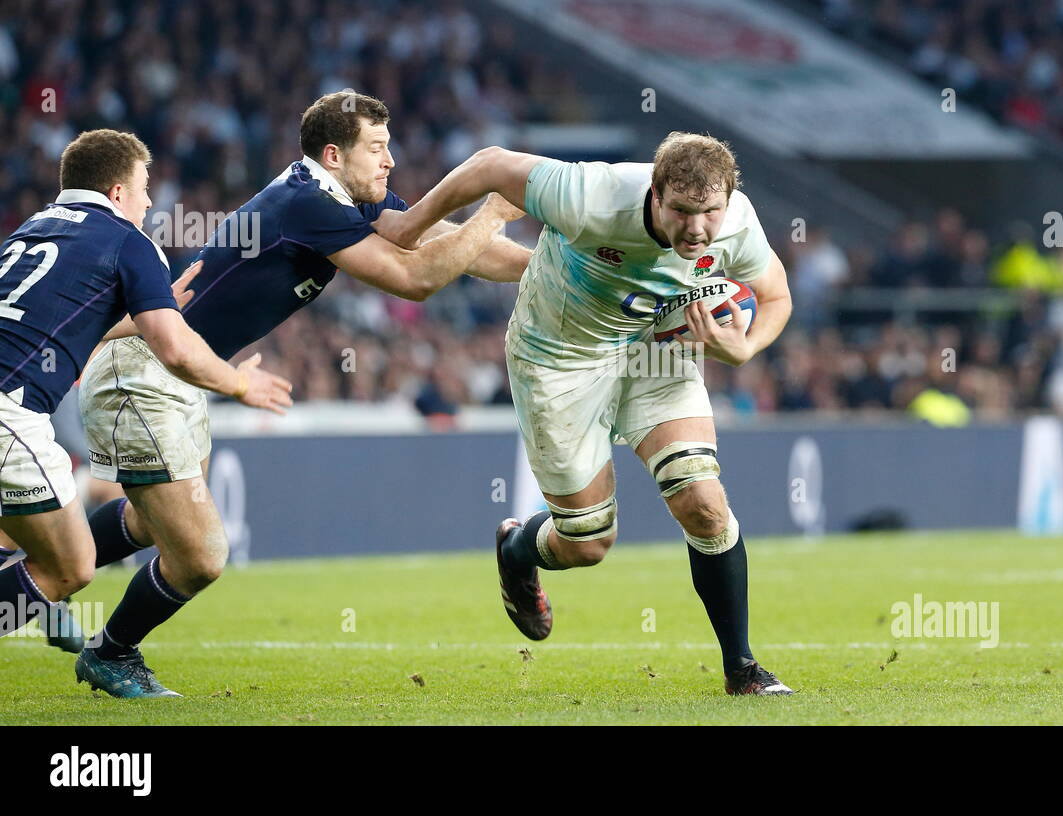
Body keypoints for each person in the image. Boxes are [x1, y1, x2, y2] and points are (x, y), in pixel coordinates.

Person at [74, 91, 530, 698]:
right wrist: (493, 211)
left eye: (390, 146)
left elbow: (417, 234)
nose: (390, 160)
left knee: (152, 526)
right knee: (203, 554)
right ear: (334, 154)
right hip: (147, 364)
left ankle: (42, 574)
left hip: (181, 370)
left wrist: (542, 264)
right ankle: (92, 634)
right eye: (377, 147)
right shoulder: (307, 202)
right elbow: (415, 278)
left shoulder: (337, 199)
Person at [420, 132, 796, 695]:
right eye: (683, 211)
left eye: (710, 212)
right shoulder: (594, 194)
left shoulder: (738, 221)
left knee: (705, 505)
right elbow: (492, 164)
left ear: (728, 200)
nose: (698, 228)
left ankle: (742, 669)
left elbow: (776, 295)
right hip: (559, 356)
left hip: (653, 350)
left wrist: (744, 348)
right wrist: (409, 225)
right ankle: (518, 547)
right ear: (655, 194)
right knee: (588, 542)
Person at [0, 128, 291, 688]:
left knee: (25, 543)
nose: (150, 201)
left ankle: (32, 602)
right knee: (69, 567)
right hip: (11, 411)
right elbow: (175, 349)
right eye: (143, 187)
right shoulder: (126, 240)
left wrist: (144, 310)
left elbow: (63, 318)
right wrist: (236, 384)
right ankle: (65, 622)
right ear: (115, 191)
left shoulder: (30, 230)